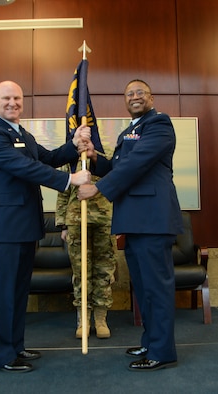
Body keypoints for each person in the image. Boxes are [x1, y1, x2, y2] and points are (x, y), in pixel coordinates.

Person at [0, 80, 91, 373]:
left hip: (25, 227)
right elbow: (25, 168)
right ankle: (1, 355)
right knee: (1, 293)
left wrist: (74, 145)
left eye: (16, 97)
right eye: (6, 98)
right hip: (3, 229)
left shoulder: (23, 135)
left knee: (17, 292)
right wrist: (70, 181)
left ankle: (15, 346)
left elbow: (48, 158)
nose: (12, 103)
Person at [78, 79, 183, 371]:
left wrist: (98, 189)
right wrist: (94, 158)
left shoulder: (159, 124)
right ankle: (151, 341)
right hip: (135, 221)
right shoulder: (130, 130)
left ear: (151, 97)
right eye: (129, 93)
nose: (135, 96)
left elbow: (135, 164)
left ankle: (162, 352)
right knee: (144, 288)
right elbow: (116, 165)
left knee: (156, 288)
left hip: (152, 219)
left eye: (140, 92)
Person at [56, 159, 117, 339]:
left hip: (105, 220)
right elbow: (63, 191)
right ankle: (84, 319)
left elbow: (118, 184)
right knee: (81, 271)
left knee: (104, 271)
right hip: (76, 220)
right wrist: (63, 225)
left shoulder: (105, 156)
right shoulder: (70, 159)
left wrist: (119, 222)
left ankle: (100, 319)